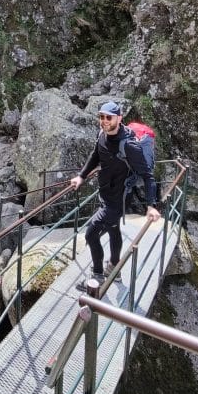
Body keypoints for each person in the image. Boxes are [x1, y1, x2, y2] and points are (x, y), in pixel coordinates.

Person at [70, 101, 161, 290]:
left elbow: (147, 176)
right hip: (106, 193)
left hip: (118, 200)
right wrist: (81, 176)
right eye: (101, 117)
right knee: (113, 229)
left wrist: (151, 205)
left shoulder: (128, 146)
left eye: (109, 117)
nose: (104, 121)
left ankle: (97, 275)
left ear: (119, 118)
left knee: (91, 234)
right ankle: (115, 269)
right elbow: (96, 155)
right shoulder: (102, 134)